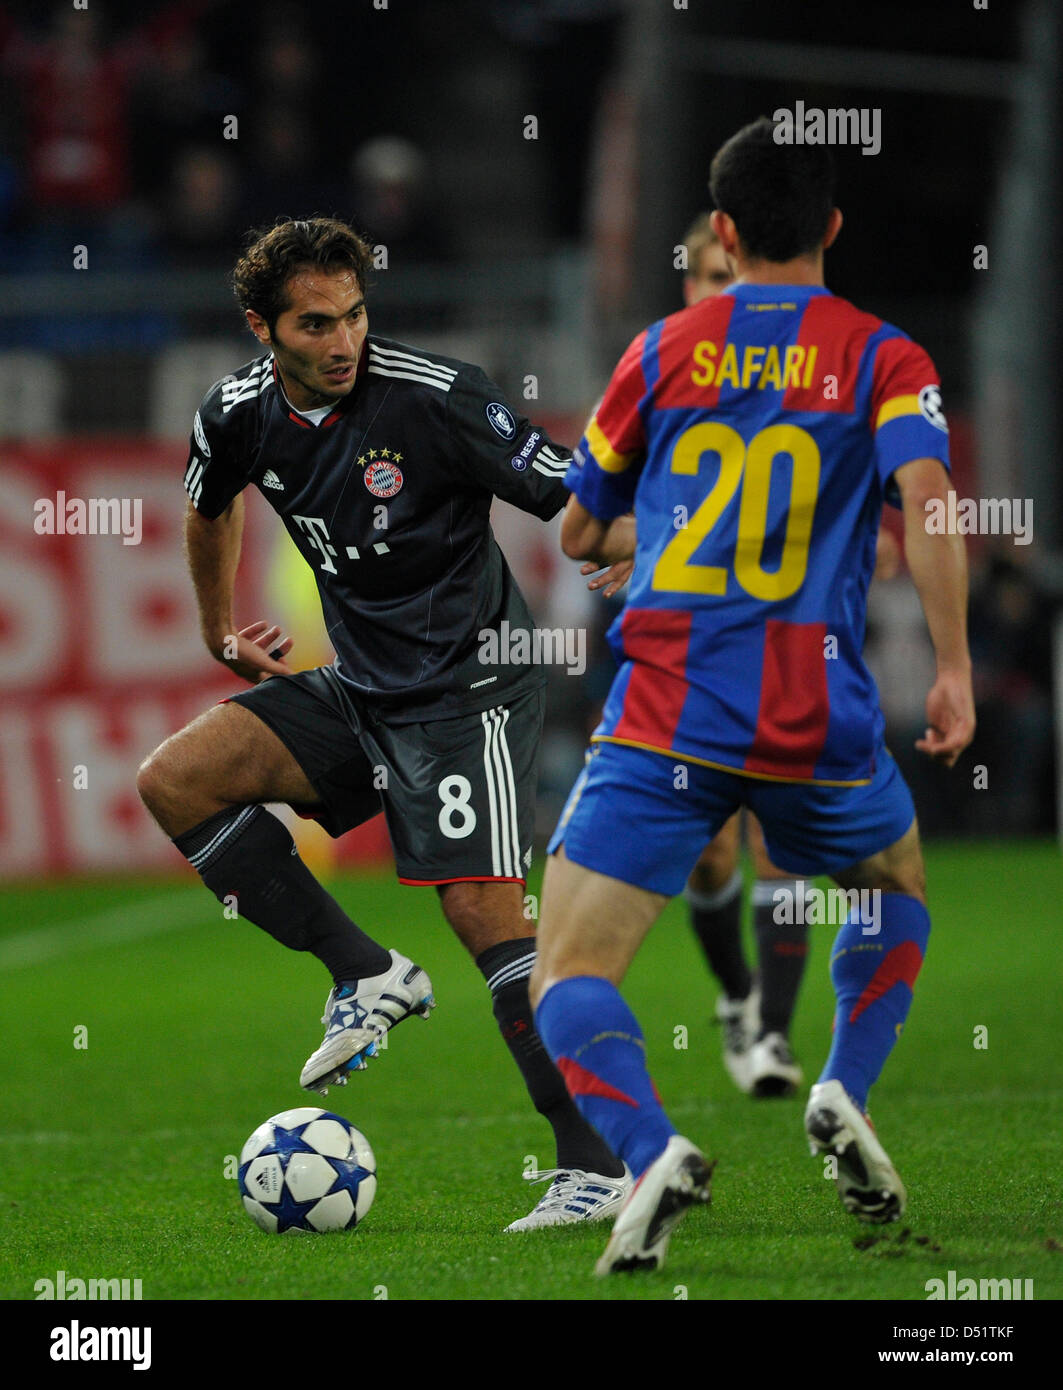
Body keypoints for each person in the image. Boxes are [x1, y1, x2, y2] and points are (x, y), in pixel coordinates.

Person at [528, 117, 975, 1274]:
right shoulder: (886, 356)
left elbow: (579, 525)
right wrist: (955, 667)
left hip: (670, 708)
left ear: (721, 231)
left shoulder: (662, 351)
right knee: (891, 887)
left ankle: (650, 1153)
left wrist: (661, 531)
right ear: (832, 226)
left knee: (568, 974)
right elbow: (927, 506)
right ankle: (840, 1083)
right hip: (812, 711)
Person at [135, 216, 631, 1231]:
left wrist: (631, 540)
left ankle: (598, 1163)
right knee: (174, 779)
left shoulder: (439, 397)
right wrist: (218, 625)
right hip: (363, 686)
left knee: (484, 912)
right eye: (315, 323)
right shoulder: (236, 413)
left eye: (354, 314)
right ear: (260, 329)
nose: (343, 339)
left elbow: (574, 490)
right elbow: (206, 500)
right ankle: (365, 972)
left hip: (469, 686)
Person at [679, 212, 809, 1098]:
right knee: (708, 855)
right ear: (687, 288)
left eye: (736, 277)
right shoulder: (655, 374)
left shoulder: (806, 383)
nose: (723, 294)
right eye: (707, 278)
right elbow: (592, 501)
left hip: (792, 637)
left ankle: (771, 1035)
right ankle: (735, 995)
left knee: (784, 841)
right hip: (684, 643)